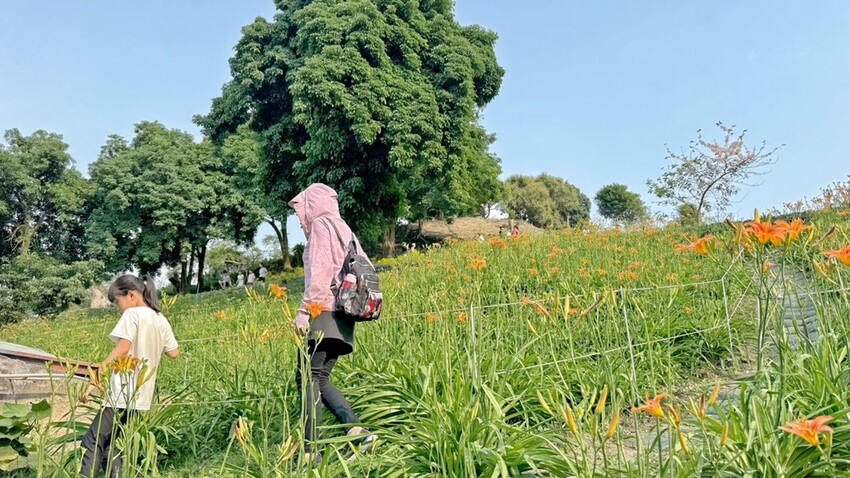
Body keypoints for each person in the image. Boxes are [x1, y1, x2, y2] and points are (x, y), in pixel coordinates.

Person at [289, 183, 376, 465]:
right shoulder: (345, 229)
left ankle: (309, 452)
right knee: (319, 377)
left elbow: (320, 271)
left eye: (301, 209)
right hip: (345, 314)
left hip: (324, 310)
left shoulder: (321, 226)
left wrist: (305, 312)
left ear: (312, 205)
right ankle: (359, 433)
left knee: (307, 378)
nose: (300, 217)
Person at [79, 274, 179, 477]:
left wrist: (95, 378)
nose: (118, 308)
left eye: (117, 301)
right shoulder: (160, 318)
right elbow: (174, 353)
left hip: (122, 391)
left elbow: (123, 347)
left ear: (131, 295)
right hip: (141, 395)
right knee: (109, 443)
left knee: (92, 441)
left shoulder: (132, 314)